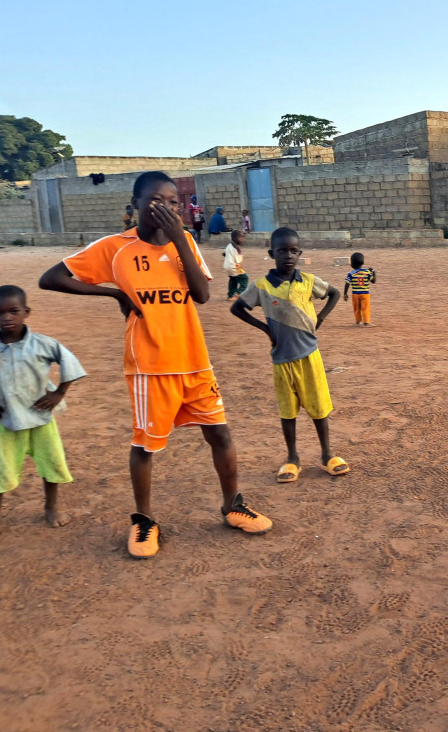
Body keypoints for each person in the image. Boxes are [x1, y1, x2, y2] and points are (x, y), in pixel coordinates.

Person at [39, 170, 272, 559]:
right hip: (150, 365)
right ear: (136, 204)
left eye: (173, 202)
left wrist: (180, 239)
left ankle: (233, 505)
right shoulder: (116, 248)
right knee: (145, 446)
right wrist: (114, 294)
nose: (166, 207)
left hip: (194, 361)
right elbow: (51, 278)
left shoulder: (186, 244)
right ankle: (144, 520)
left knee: (220, 435)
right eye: (156, 200)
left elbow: (201, 295)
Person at [231, 227, 344, 483]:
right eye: (282, 251)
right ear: (272, 253)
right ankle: (293, 458)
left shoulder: (308, 281)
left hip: (310, 356)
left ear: (299, 253)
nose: (288, 256)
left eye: (293, 251)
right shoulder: (262, 286)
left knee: (319, 407)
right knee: (288, 412)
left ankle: (327, 455)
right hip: (282, 360)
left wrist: (320, 318)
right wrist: (264, 328)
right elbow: (237, 308)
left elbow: (334, 293)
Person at [0, 285, 85, 545]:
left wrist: (59, 393)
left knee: (50, 465)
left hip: (41, 419)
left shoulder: (43, 344)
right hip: (5, 423)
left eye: (14, 311)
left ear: (26, 311)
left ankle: (51, 507)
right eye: (0, 313)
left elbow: (69, 362)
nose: (7, 317)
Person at [345, 252, 377, 326]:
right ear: (363, 262)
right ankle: (366, 322)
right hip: (365, 294)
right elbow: (373, 281)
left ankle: (357, 322)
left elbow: (347, 283)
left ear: (351, 264)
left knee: (356, 308)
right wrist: (373, 272)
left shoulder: (351, 273)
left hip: (355, 294)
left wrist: (345, 293)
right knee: (365, 308)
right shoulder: (367, 272)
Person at [223, 230, 248, 300]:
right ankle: (237, 294)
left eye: (243, 237)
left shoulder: (229, 245)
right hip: (233, 266)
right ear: (234, 238)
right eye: (240, 238)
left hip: (227, 266)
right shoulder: (236, 248)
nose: (242, 239)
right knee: (245, 278)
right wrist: (241, 256)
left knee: (233, 280)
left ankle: (230, 295)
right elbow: (238, 260)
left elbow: (224, 253)